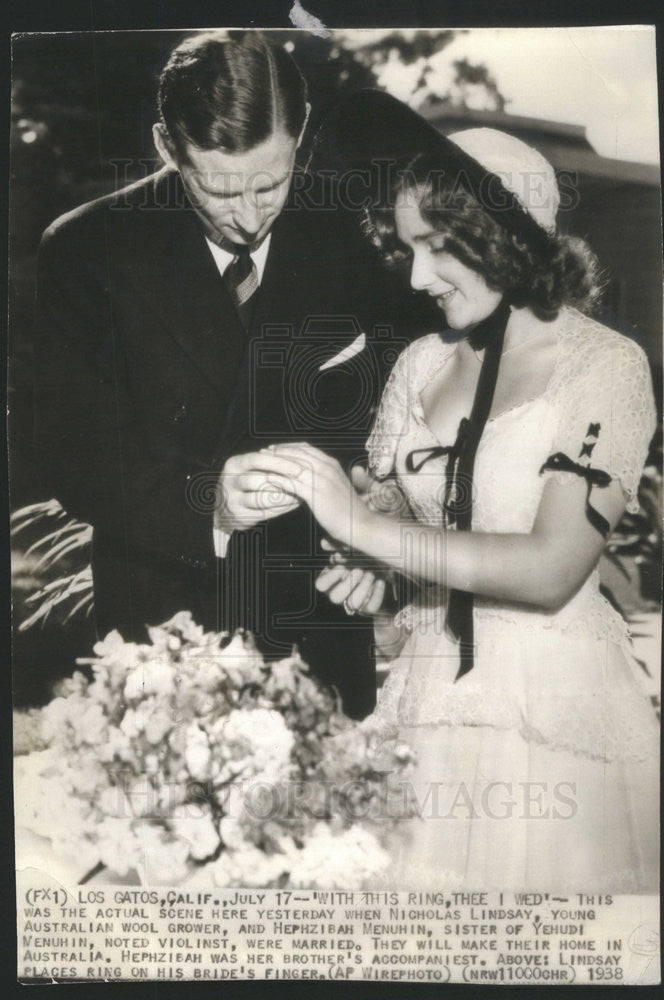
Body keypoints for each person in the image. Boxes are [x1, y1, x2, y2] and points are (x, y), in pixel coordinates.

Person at [261, 90, 660, 891]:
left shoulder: (606, 367)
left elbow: (552, 569)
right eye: (406, 249)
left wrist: (368, 530)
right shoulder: (422, 364)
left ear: (504, 235)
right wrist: (378, 553)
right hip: (426, 684)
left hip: (550, 706)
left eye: (438, 247)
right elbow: (412, 519)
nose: (415, 277)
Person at [32, 36, 437, 719]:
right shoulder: (85, 249)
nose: (250, 216)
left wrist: (382, 528)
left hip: (318, 637)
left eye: (271, 183)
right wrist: (208, 504)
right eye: (218, 188)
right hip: (157, 642)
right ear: (166, 146)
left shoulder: (368, 238)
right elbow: (76, 456)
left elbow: (416, 419)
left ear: (300, 134)